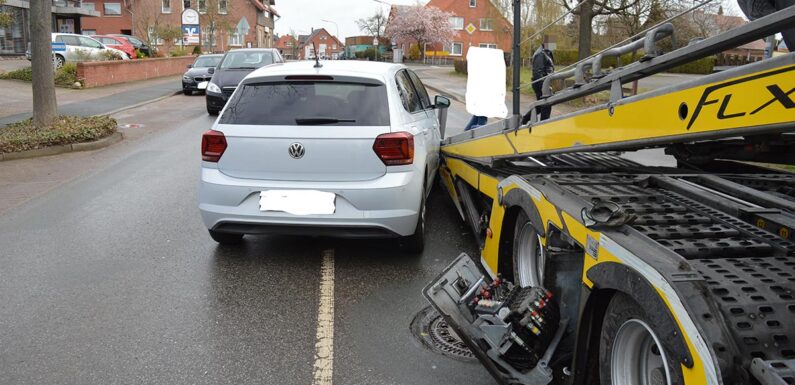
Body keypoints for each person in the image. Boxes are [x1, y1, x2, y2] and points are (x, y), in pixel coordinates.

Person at [524, 44, 555, 124]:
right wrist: (543, 86)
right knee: (546, 105)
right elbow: (538, 72)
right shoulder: (540, 54)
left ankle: (524, 119)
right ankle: (543, 125)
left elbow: (548, 68)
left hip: (545, 82)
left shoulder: (546, 52)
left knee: (541, 105)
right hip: (541, 83)